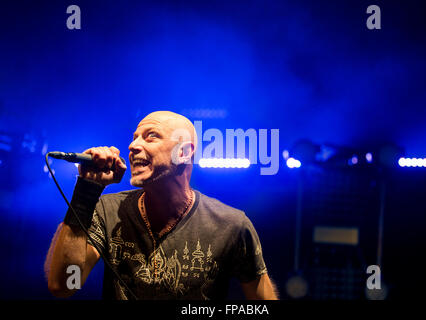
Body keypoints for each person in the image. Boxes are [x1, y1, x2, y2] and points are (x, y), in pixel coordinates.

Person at [45, 111, 278, 300]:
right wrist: (85, 193)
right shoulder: (108, 210)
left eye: (151, 136)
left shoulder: (231, 225)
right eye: (135, 137)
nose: (133, 146)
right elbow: (65, 284)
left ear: (184, 152)